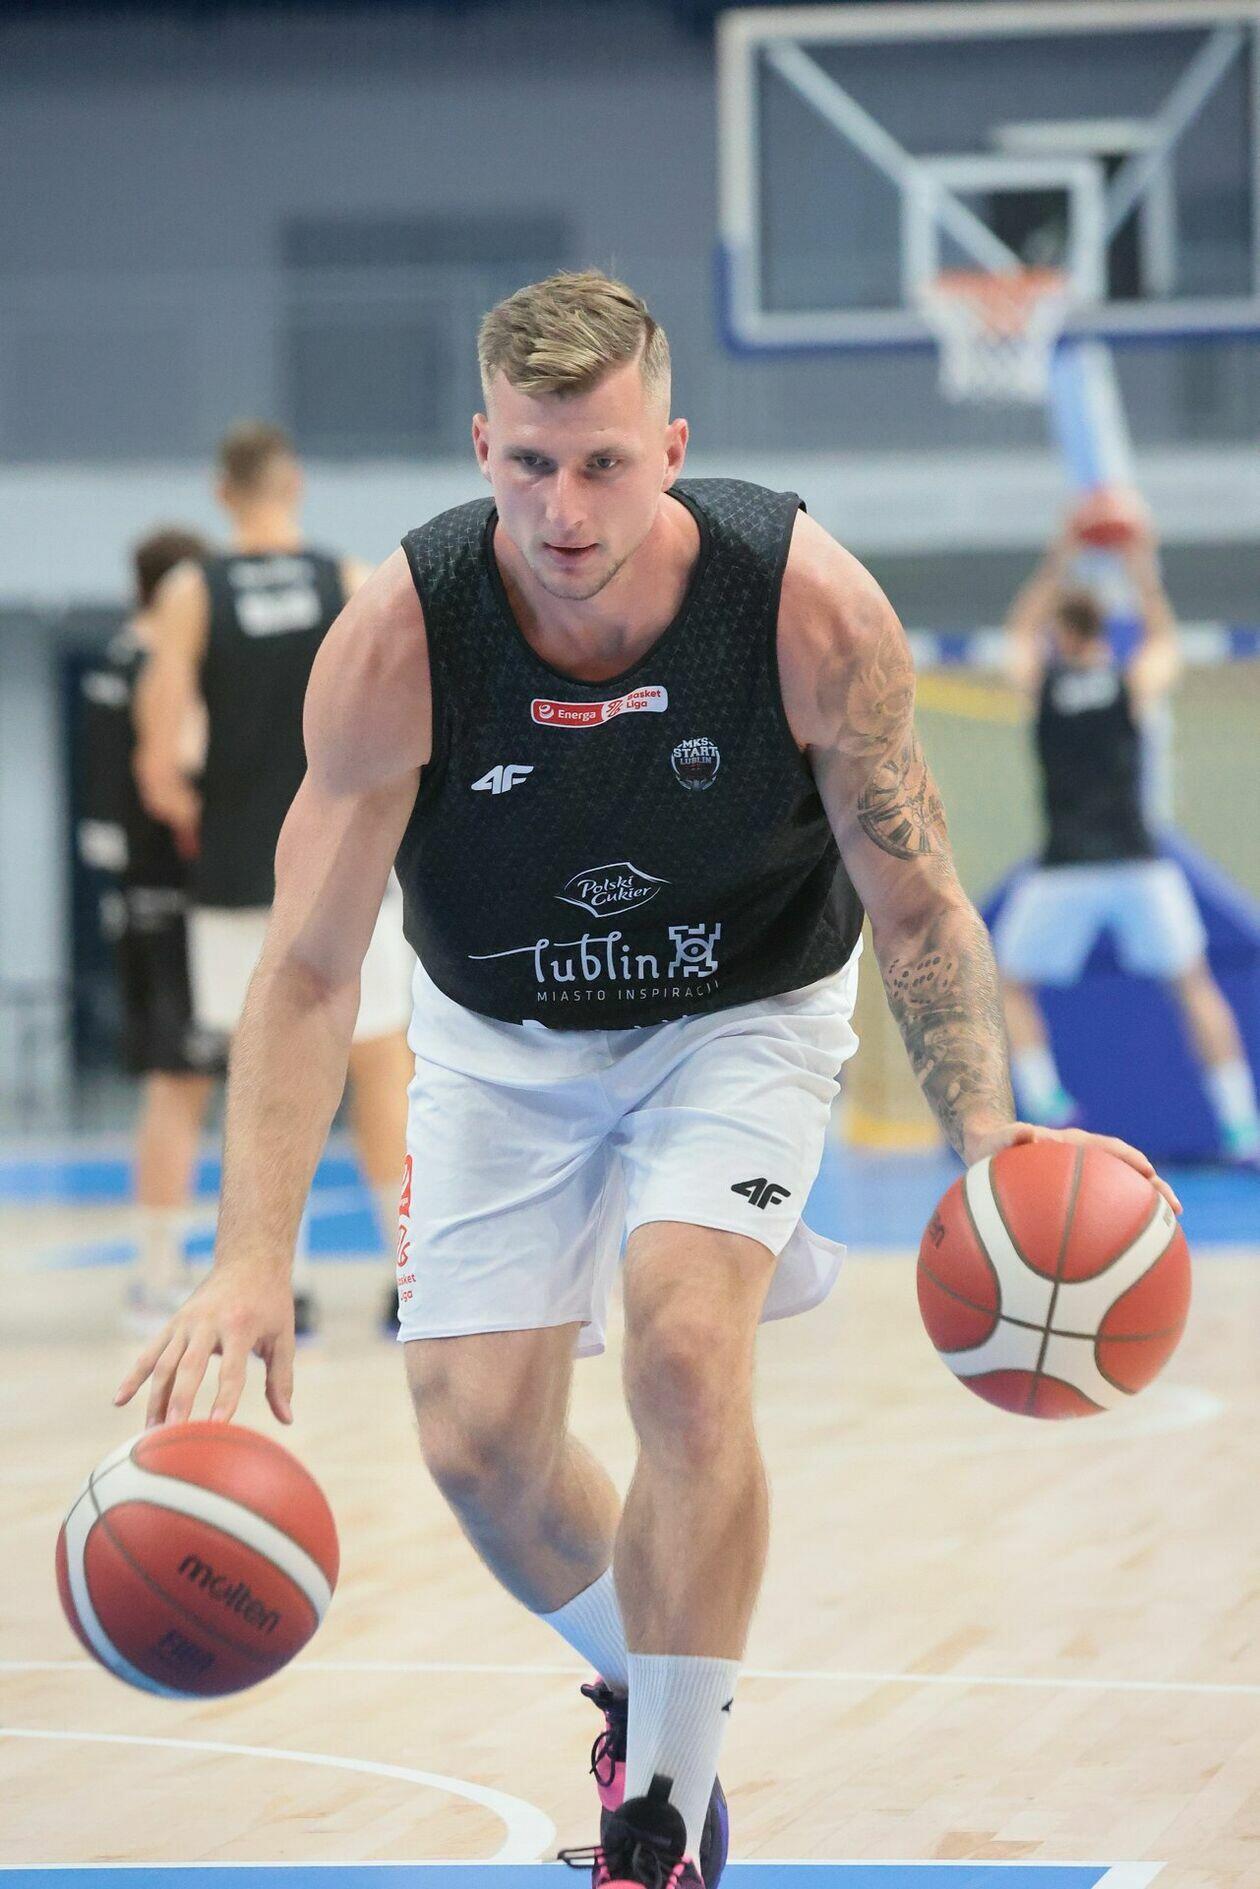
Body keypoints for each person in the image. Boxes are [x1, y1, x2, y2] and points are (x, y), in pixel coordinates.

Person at [117, 275, 1179, 1889]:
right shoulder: (400, 636)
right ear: (482, 448)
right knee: (477, 1442)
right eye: (530, 465)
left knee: (683, 1338)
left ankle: (662, 1818)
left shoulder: (807, 608)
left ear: (672, 451)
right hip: (499, 1036)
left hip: (740, 1011)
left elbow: (917, 900)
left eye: (603, 464)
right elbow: (311, 969)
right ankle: (659, 1680)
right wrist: (251, 1251)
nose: (564, 509)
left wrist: (982, 1129)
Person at [133, 422, 415, 1333]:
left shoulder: (191, 591)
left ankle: (275, 1287)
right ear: (293, 484)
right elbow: (400, 727)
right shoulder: (350, 578)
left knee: (259, 1076)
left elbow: (158, 764)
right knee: (382, 1066)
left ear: (222, 493)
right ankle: (410, 1280)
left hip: (236, 872)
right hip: (346, 867)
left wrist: (197, 809)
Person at [996, 500, 1260, 1159]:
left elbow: (1016, 636)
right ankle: (1240, 1120)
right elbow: (1165, 644)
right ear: (1103, 634)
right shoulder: (1127, 685)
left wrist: (1060, 555)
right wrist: (1141, 568)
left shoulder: (1043, 687)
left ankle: (1046, 1098)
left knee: (1010, 985)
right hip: (1140, 863)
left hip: (1063, 870)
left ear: (1060, 632)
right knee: (1193, 983)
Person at [77, 525, 223, 1331]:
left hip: (135, 898)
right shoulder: (162, 671)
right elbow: (168, 783)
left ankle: (163, 1264)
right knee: (179, 1082)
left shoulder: (111, 660)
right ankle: (158, 1272)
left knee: (176, 1083)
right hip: (176, 900)